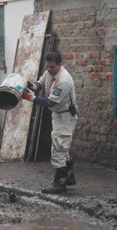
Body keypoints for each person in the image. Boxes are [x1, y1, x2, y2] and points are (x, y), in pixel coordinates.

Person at [22, 52, 78, 194]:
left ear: (60, 65)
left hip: (65, 116)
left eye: (52, 67)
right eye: (48, 66)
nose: (49, 69)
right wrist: (30, 85)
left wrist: (30, 98)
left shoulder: (64, 80)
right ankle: (69, 176)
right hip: (58, 114)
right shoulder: (49, 73)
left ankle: (59, 183)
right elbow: (40, 84)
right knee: (61, 145)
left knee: (59, 147)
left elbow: (50, 101)